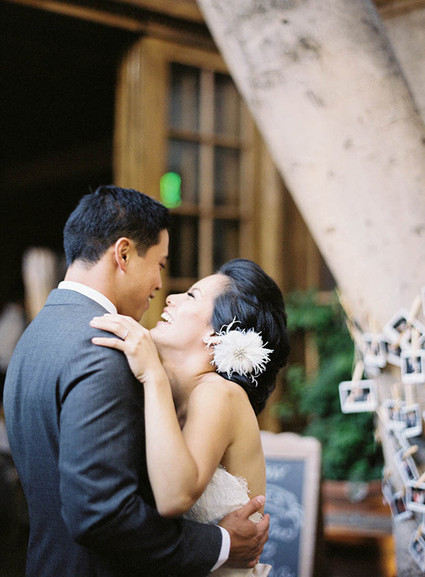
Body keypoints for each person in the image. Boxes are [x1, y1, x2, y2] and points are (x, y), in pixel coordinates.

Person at [3, 186, 269, 577]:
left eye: (190, 295)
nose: (163, 288)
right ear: (123, 254)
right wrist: (222, 543)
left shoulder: (36, 336)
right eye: (160, 264)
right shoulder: (103, 350)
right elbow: (103, 514)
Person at [90, 258, 291, 576]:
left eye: (192, 295)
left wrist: (153, 374)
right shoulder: (167, 397)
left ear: (222, 332)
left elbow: (173, 497)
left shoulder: (220, 393)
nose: (171, 297)